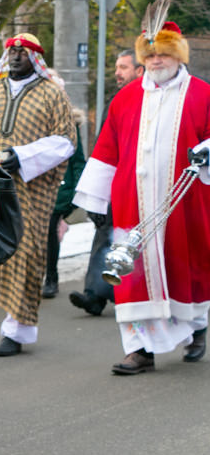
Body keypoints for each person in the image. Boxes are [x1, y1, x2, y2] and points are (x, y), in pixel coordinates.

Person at [73, 4, 210, 375]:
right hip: (132, 207)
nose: (155, 60)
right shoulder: (127, 97)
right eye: (149, 54)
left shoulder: (202, 94)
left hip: (185, 204)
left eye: (163, 53)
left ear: (177, 54)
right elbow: (106, 150)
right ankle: (139, 349)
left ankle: (196, 329)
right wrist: (96, 200)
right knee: (129, 274)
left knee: (188, 272)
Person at [0, 32, 77, 357]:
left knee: (25, 253)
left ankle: (15, 329)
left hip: (31, 191)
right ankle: (14, 314)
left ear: (36, 58)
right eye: (12, 52)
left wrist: (22, 156)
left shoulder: (51, 94)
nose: (17, 57)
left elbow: (66, 141)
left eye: (24, 52)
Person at [69, 49, 144, 316]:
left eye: (123, 67)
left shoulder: (154, 101)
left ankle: (136, 297)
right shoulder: (115, 102)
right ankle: (94, 295)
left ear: (140, 70)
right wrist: (95, 194)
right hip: (117, 184)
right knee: (104, 235)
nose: (117, 73)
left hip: (146, 187)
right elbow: (103, 149)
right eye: (116, 67)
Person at [41, 69, 86, 298]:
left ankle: (51, 277)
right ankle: (31, 276)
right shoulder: (33, 119)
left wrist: (76, 191)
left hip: (59, 187)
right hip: (34, 184)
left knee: (49, 231)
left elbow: (78, 160)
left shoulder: (70, 123)